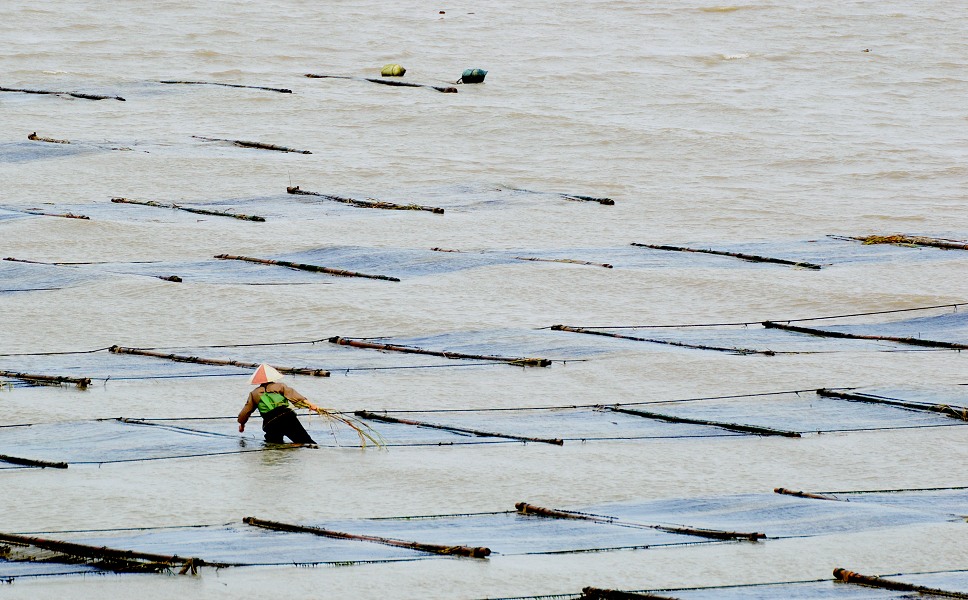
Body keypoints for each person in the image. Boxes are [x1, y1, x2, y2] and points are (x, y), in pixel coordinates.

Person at [238, 363, 319, 445]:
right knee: (306, 442)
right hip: (287, 417)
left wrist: (242, 424)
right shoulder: (280, 386)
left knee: (272, 445)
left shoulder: (254, 394)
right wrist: (310, 405)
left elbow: (245, 412)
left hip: (270, 422)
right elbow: (296, 397)